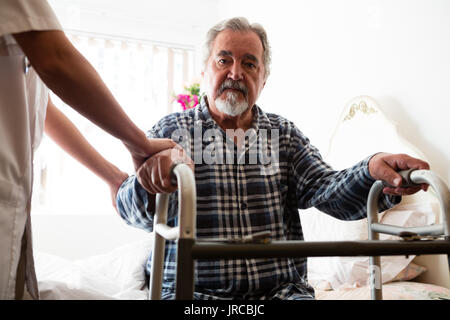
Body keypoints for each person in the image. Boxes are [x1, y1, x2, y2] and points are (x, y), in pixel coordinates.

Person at [116, 17, 430, 300]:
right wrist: (152, 180)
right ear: (204, 70)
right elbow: (136, 215)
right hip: (194, 295)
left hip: (280, 294)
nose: (236, 72)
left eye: (250, 64)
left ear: (263, 80)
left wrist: (372, 171)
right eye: (224, 60)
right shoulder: (171, 131)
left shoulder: (284, 135)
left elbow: (329, 192)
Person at [0, 0, 175, 299]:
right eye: (224, 60)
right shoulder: (175, 128)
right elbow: (55, 59)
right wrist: (139, 144)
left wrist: (112, 175)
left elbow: (43, 110)